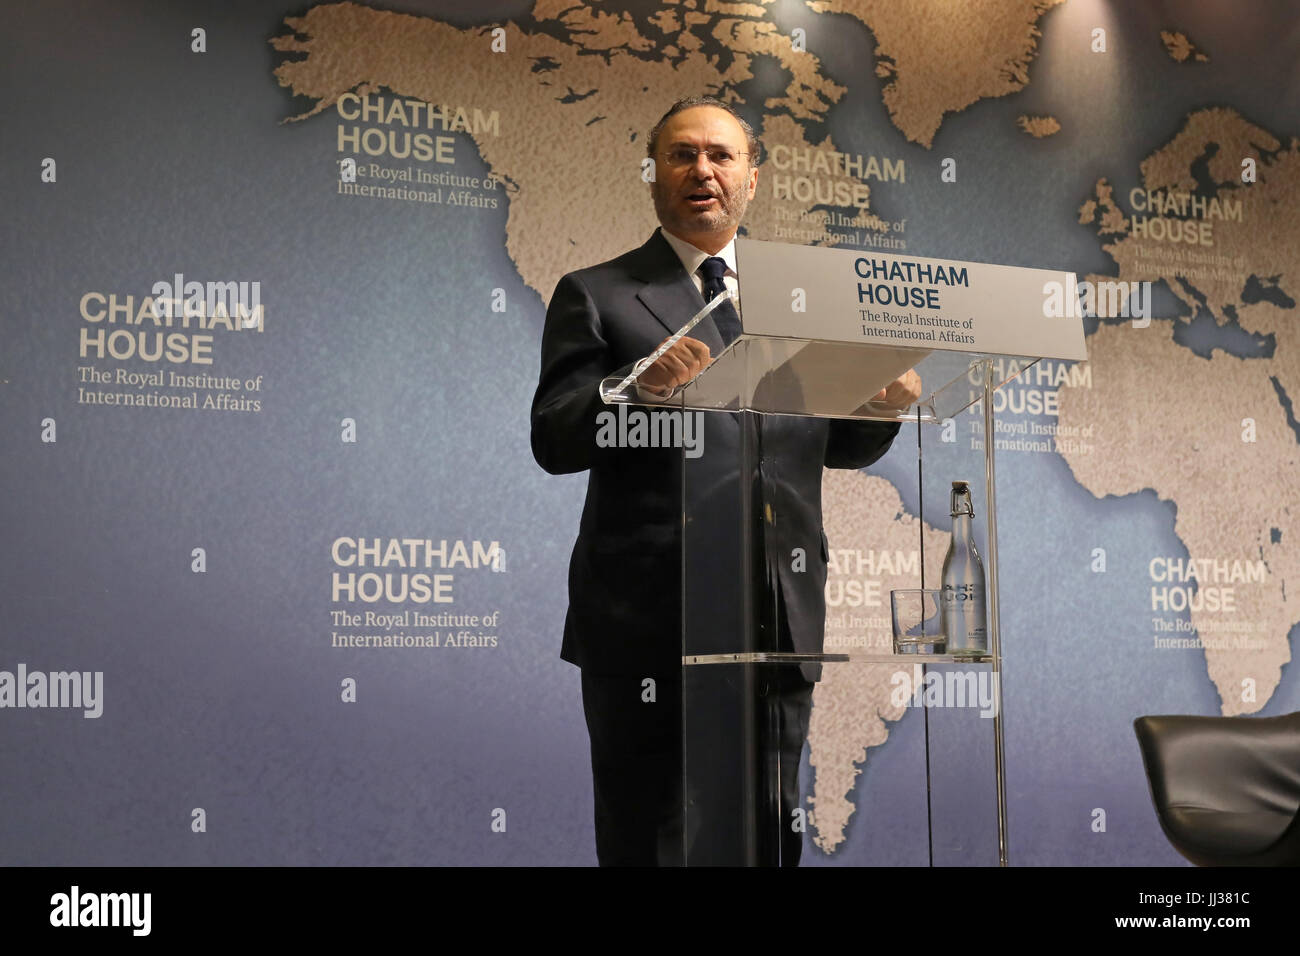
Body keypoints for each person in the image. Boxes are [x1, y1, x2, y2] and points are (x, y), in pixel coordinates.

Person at [530, 96, 921, 866]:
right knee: (656, 840)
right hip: (648, 623)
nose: (701, 170)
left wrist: (879, 408)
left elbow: (826, 444)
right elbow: (555, 435)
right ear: (653, 177)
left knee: (768, 837)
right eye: (680, 155)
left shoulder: (801, 297)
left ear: (752, 177)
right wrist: (634, 388)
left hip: (776, 618)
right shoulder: (599, 292)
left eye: (720, 154)